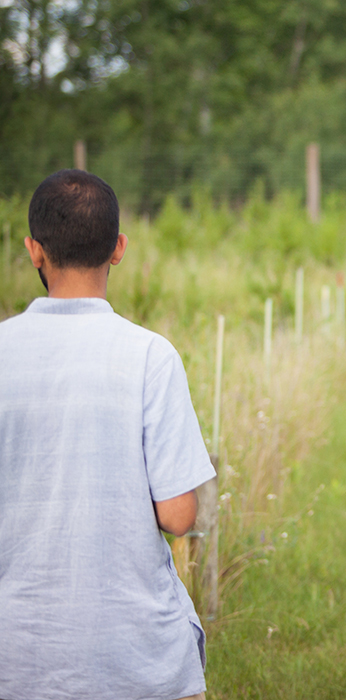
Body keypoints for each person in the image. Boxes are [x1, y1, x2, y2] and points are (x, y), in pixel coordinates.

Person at [0, 170, 215, 700]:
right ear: (118, 248)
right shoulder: (150, 356)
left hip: (17, 655)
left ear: (33, 251)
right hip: (135, 657)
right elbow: (179, 516)